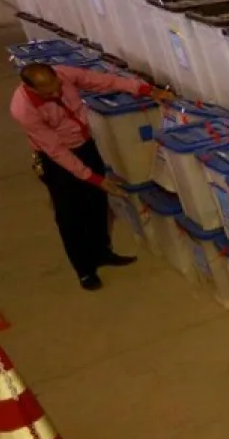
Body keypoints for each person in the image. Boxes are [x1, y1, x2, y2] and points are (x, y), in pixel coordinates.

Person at [9, 63, 172, 290]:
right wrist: (93, 177)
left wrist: (144, 89)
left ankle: (102, 252)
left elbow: (103, 81)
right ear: (31, 89)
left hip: (85, 144)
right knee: (70, 214)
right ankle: (84, 269)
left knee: (96, 202)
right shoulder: (24, 110)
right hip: (55, 159)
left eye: (57, 87)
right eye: (48, 93)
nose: (56, 94)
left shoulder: (64, 74)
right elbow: (56, 150)